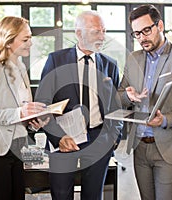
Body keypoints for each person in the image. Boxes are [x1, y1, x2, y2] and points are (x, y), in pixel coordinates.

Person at [35, 10, 122, 200]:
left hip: (99, 139)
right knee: (61, 194)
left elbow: (117, 107)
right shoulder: (56, 60)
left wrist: (113, 138)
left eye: (104, 31)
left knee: (93, 195)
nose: (102, 36)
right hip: (64, 139)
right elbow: (42, 104)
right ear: (79, 33)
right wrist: (57, 138)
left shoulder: (110, 65)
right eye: (95, 32)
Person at [118, 4, 172, 200]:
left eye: (146, 30)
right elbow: (119, 94)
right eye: (137, 33)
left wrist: (165, 119)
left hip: (171, 148)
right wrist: (128, 96)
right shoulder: (133, 59)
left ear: (160, 25)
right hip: (140, 146)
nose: (142, 38)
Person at [0, 16, 49, 200]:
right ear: (8, 41)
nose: (31, 43)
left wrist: (32, 121)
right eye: (25, 39)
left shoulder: (20, 68)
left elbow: (20, 111)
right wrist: (19, 113)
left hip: (16, 152)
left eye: (31, 37)